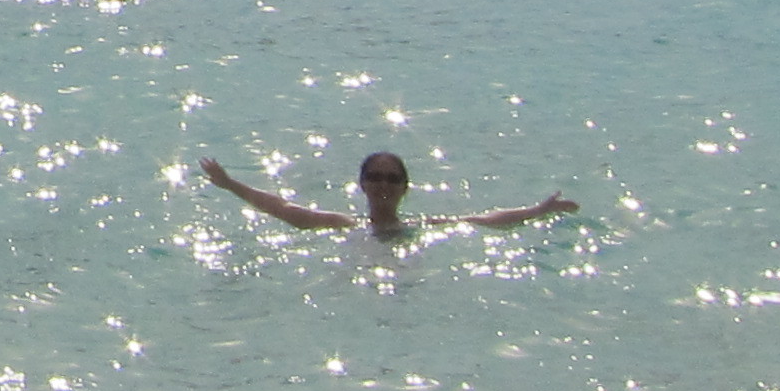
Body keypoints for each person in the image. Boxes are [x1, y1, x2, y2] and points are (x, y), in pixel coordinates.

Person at [199, 151, 576, 236]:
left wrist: (537, 211)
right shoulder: (343, 225)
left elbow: (485, 220)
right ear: (362, 184)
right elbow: (282, 208)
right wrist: (230, 184)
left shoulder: (424, 227)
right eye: (376, 177)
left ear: (404, 188)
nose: (383, 184)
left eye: (392, 179)